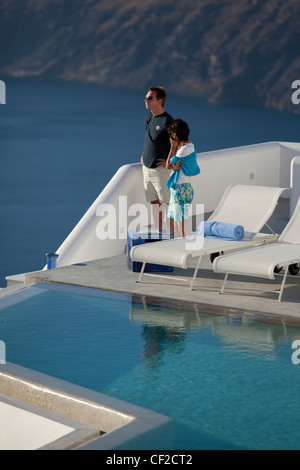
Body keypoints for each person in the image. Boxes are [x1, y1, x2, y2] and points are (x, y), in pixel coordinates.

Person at [141, 86, 173, 231]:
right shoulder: (150, 117)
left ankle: (174, 235)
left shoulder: (168, 121)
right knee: (154, 202)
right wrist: (144, 156)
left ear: (159, 101)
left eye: (150, 98)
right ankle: (159, 233)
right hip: (147, 168)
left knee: (167, 203)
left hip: (160, 170)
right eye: (146, 97)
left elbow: (180, 143)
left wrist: (169, 161)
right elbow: (151, 140)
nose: (146, 100)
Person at [165, 119, 200, 238]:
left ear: (176, 134)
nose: (171, 137)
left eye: (172, 134)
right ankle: (184, 246)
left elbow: (168, 165)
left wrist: (172, 147)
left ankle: (183, 248)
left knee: (180, 225)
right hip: (184, 189)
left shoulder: (183, 150)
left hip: (180, 190)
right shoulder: (190, 146)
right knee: (180, 223)